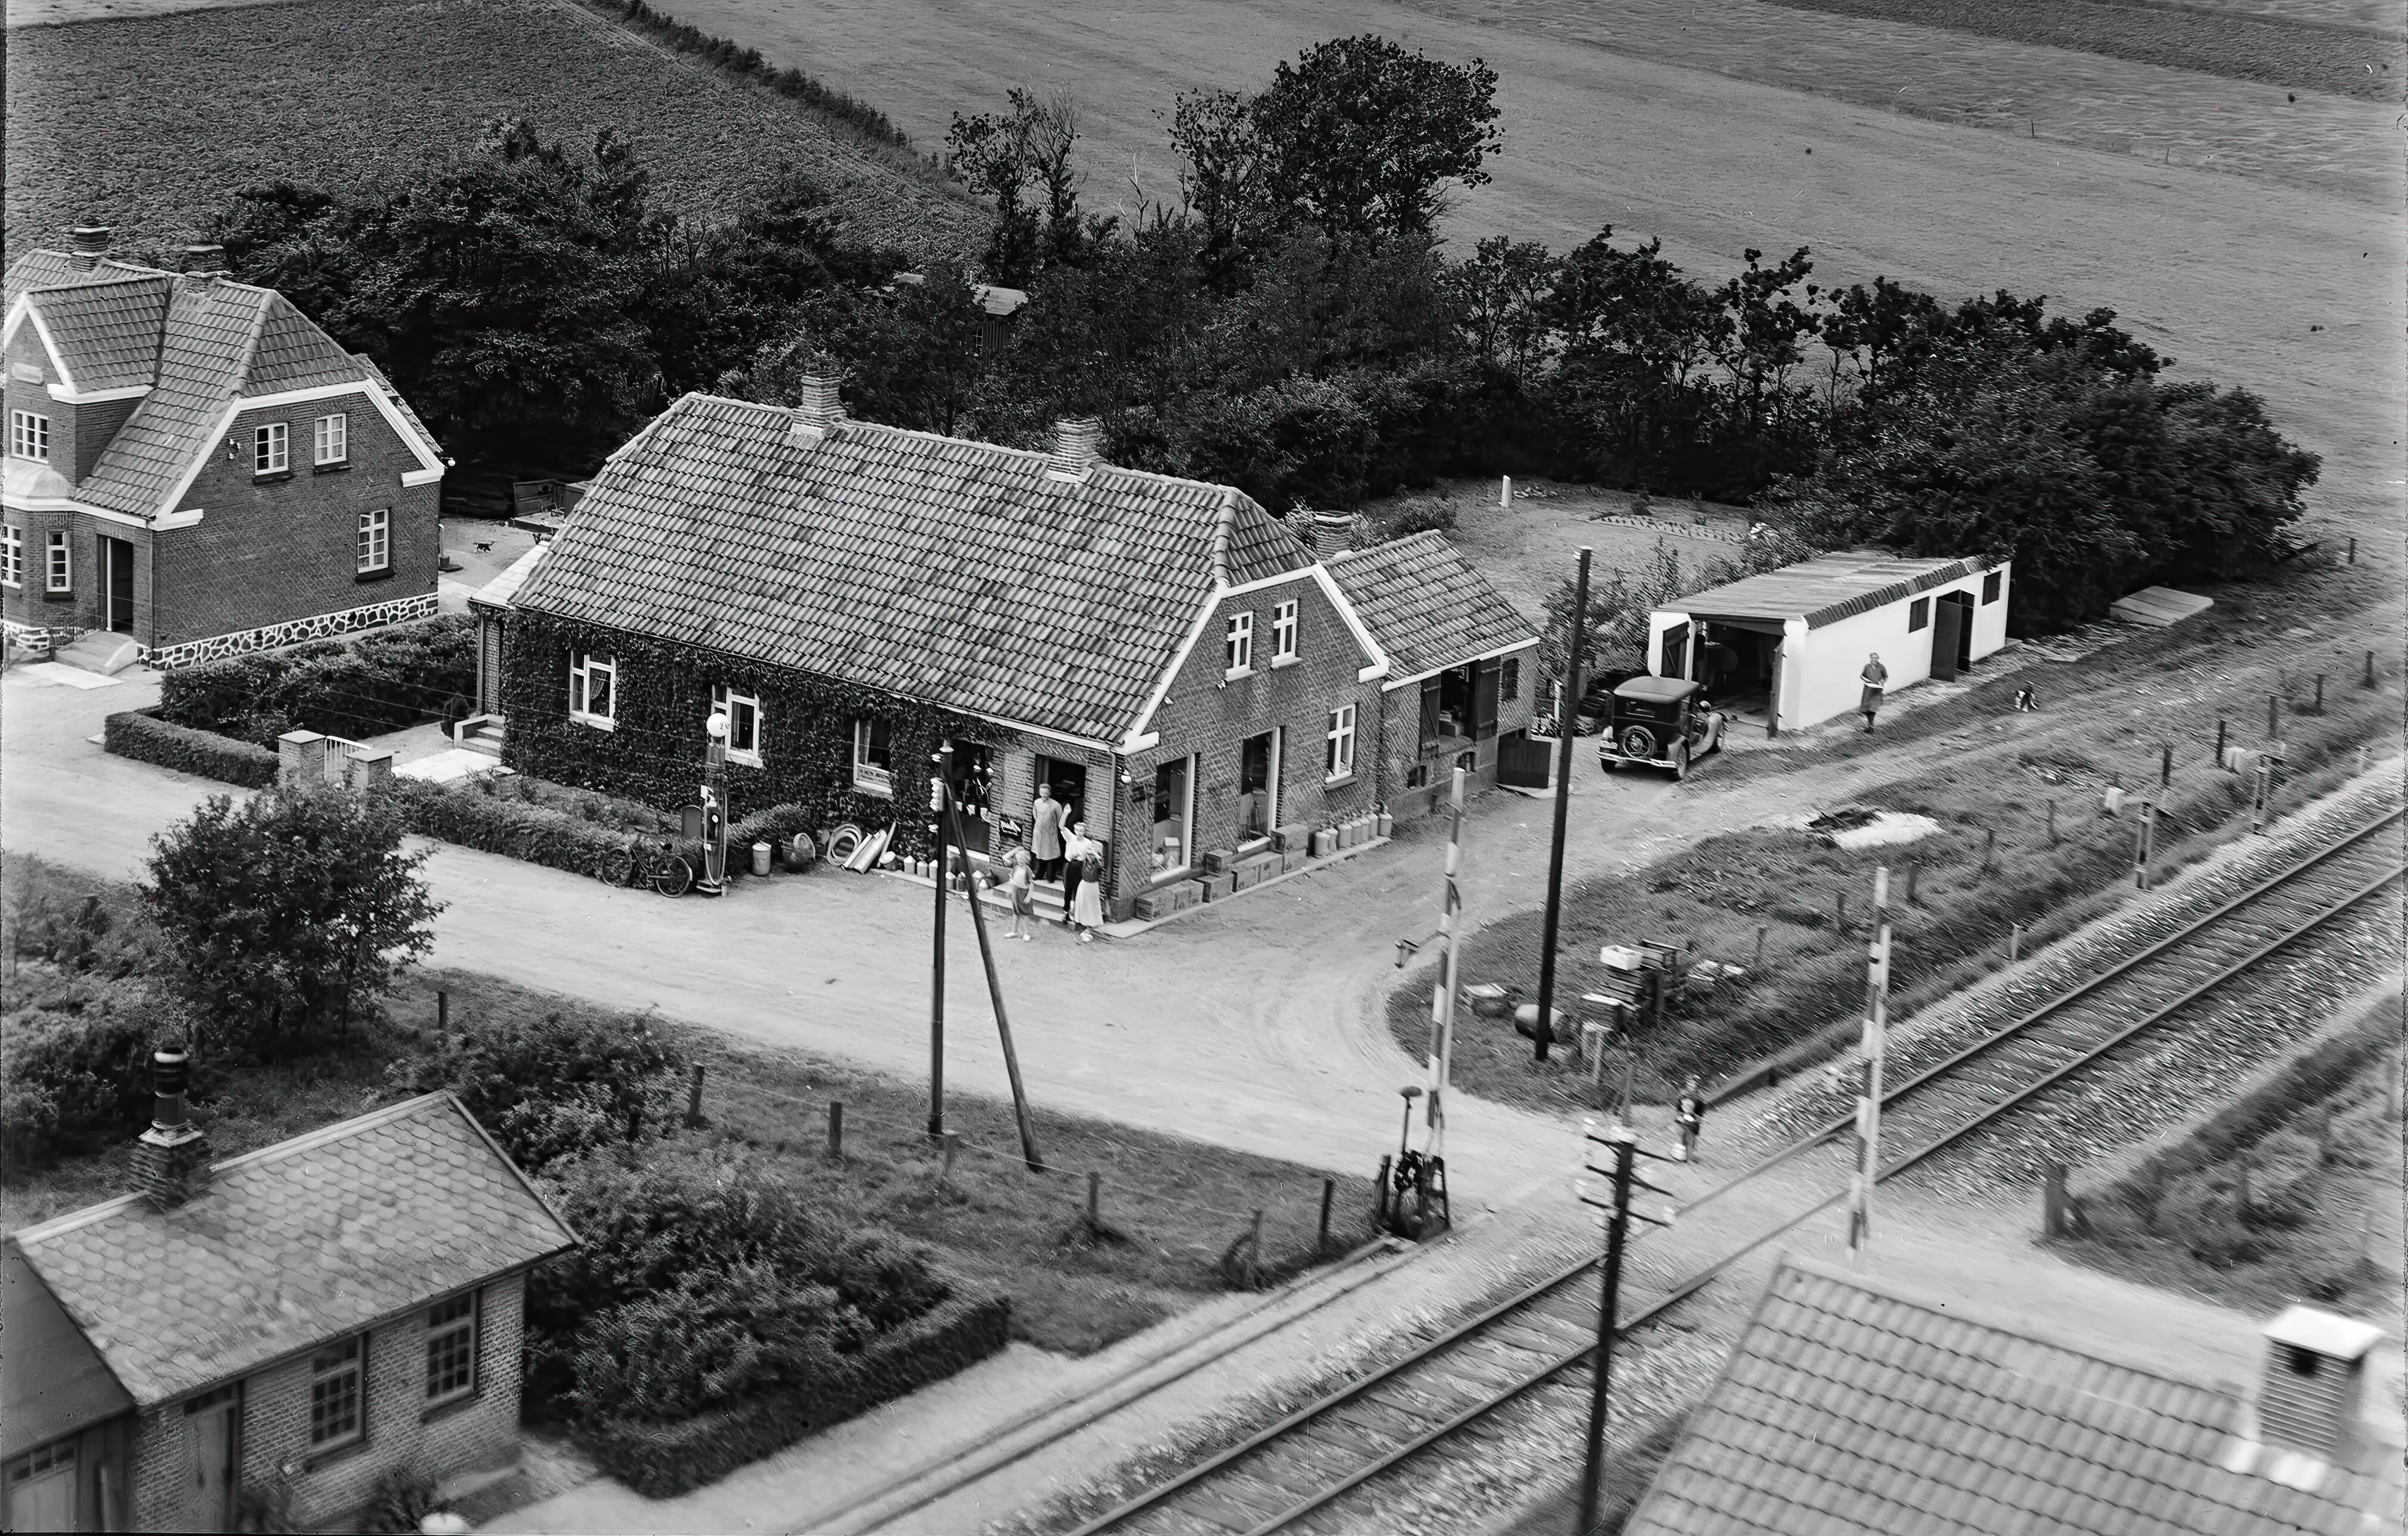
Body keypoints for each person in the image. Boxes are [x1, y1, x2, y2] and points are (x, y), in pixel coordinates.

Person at [1063, 822, 1107, 942]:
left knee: (1090, 905)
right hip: (1084, 884)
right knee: (1081, 902)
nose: (1090, 849)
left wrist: (1094, 853)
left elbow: (1099, 864)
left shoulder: (1097, 862)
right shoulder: (1086, 858)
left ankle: (1089, 924)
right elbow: (1082, 857)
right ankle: (1078, 920)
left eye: (1092, 848)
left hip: (1092, 886)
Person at [1028, 782, 1067, 882]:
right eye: (1042, 792)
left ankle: (1051, 877)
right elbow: (1035, 813)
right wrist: (1039, 824)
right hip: (1039, 833)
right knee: (1040, 855)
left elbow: (1060, 818)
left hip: (1050, 834)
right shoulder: (1037, 802)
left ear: (1050, 793)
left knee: (1051, 857)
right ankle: (1039, 874)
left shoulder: (1056, 805)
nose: (1044, 795)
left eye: (1046, 793)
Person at [1000, 842, 1035, 941]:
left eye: (1021, 858)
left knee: (1024, 914)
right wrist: (1016, 850)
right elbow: (1005, 858)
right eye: (1018, 858)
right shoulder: (1015, 865)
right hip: (1015, 891)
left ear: (1026, 859)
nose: (1019, 860)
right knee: (1016, 912)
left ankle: (1026, 933)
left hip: (1023, 893)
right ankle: (1013, 931)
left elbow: (1031, 884)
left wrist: (1028, 896)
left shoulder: (1027, 870)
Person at [1674, 1075, 1706, 1162]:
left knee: (1692, 1136)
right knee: (1684, 1135)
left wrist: (1698, 1119)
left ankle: (1690, 1155)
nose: (1692, 1085)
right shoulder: (1683, 1094)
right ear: (1687, 1084)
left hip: (1694, 1117)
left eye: (1694, 1083)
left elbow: (1701, 1107)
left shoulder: (1699, 1095)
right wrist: (1681, 1113)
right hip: (1684, 1116)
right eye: (1690, 1083)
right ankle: (1683, 1155)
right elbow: (1678, 1106)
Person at [1859, 652, 1889, 732]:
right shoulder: (1867, 666)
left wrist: (1882, 681)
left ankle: (1871, 727)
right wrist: (1866, 680)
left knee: (1873, 708)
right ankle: (1870, 725)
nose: (1874, 659)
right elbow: (1862, 676)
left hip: (1877, 690)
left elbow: (1885, 676)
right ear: (1870, 659)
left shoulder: (1881, 667)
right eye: (1873, 658)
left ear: (1878, 659)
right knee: (1866, 709)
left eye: (1876, 658)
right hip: (1868, 689)